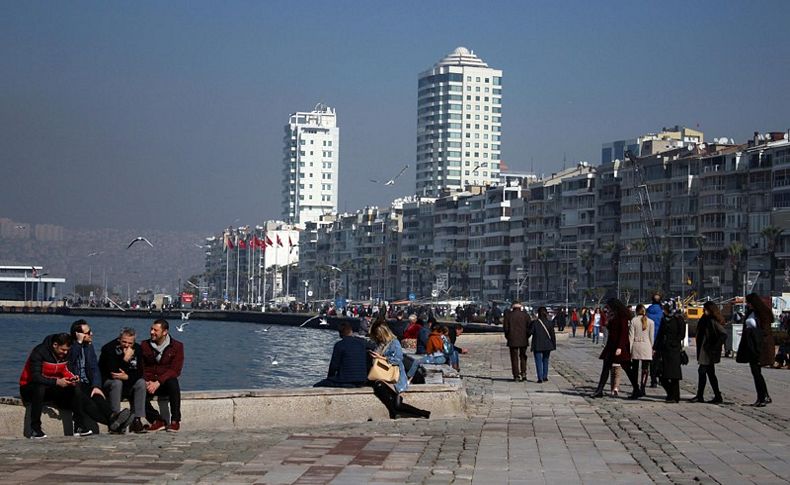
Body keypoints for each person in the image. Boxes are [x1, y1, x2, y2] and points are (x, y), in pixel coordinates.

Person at [68, 320, 134, 436]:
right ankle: (114, 422)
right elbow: (69, 362)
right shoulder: (70, 346)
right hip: (74, 384)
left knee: (98, 396)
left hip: (87, 383)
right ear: (78, 335)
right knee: (89, 403)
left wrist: (96, 386)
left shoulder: (89, 346)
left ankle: (114, 418)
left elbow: (94, 368)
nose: (91, 334)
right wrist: (78, 343)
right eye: (88, 333)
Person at [19, 333, 81, 439]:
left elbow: (66, 370)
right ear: (55, 345)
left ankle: (79, 426)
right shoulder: (39, 352)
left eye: (67, 350)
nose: (65, 352)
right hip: (29, 388)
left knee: (76, 388)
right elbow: (36, 377)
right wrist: (57, 382)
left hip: (50, 387)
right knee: (40, 386)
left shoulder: (66, 353)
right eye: (63, 350)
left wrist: (72, 379)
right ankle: (35, 429)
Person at [368, 321, 430, 419]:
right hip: (385, 375)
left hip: (395, 377)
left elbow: (398, 359)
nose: (376, 337)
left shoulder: (394, 342)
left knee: (397, 404)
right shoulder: (381, 344)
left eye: (377, 335)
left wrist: (381, 357)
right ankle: (397, 413)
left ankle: (423, 413)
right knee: (393, 401)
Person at [99, 327, 149, 432]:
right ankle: (116, 418)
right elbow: (114, 373)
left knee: (141, 383)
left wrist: (128, 377)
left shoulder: (138, 349)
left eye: (130, 343)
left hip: (127, 382)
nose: (127, 345)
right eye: (124, 342)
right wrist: (125, 359)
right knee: (117, 383)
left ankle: (137, 420)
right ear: (119, 339)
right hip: (109, 382)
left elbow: (139, 372)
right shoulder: (109, 349)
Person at [140, 319, 184, 432]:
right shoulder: (144, 345)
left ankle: (175, 421)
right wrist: (145, 381)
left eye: (155, 330)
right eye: (151, 329)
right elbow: (141, 366)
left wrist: (158, 382)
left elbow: (175, 370)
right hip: (149, 382)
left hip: (164, 384)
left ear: (165, 332)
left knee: (173, 382)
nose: (152, 332)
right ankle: (157, 420)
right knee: (137, 389)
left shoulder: (177, 346)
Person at [591, 299, 640, 398]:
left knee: (627, 368)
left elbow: (623, 333)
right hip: (611, 345)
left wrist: (620, 347)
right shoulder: (613, 315)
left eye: (609, 306)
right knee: (606, 368)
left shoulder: (622, 316)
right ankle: (599, 390)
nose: (607, 308)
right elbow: (611, 329)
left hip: (619, 346)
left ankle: (636, 389)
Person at [737, 293, 774, 407]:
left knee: (757, 372)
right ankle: (764, 395)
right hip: (751, 345)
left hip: (760, 346)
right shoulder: (750, 312)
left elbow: (765, 332)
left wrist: (752, 332)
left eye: (749, 302)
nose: (748, 304)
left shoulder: (762, 314)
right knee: (755, 372)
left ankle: (762, 397)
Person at [314, 322, 371, 388]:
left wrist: (330, 378)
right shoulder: (362, 343)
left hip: (345, 380)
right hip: (361, 380)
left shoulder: (339, 345)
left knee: (317, 385)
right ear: (351, 331)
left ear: (340, 334)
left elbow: (333, 366)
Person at [691, 301, 727, 404]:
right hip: (704, 348)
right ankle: (716, 396)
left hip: (708, 350)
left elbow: (723, 334)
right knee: (710, 374)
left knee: (702, 371)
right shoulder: (705, 318)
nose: (703, 310)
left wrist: (715, 346)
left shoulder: (712, 320)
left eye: (705, 309)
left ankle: (701, 395)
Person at [653, 304, 686, 403]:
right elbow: (660, 334)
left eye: (666, 309)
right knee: (662, 374)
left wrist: (673, 342)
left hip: (674, 350)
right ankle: (670, 393)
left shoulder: (678, 319)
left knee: (674, 375)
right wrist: (655, 347)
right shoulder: (664, 319)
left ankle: (674, 396)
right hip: (664, 350)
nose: (664, 311)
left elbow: (682, 334)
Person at [628, 304, 654, 396]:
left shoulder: (634, 321)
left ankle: (636, 387)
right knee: (645, 369)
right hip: (646, 347)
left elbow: (630, 337)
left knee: (635, 368)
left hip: (636, 346)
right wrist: (652, 349)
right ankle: (643, 387)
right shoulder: (651, 322)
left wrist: (629, 349)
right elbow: (651, 338)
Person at [503, 301, 532, 382]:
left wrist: (508, 337)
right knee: (523, 356)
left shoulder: (508, 316)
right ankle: (523, 373)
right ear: (520, 306)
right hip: (523, 339)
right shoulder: (525, 315)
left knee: (514, 358)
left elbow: (505, 328)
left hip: (512, 340)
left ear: (512, 307)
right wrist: (527, 336)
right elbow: (530, 327)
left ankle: (516, 375)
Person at [532, 307, 556, 383]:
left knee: (538, 361)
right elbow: (552, 335)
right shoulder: (549, 323)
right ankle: (545, 376)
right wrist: (554, 345)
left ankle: (540, 377)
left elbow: (530, 332)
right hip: (547, 345)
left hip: (537, 344)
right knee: (545, 360)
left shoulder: (535, 323)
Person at [646, 293, 664, 388]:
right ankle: (661, 378)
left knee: (651, 362)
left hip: (649, 339)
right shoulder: (662, 312)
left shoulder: (648, 312)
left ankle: (653, 381)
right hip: (660, 340)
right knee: (660, 360)